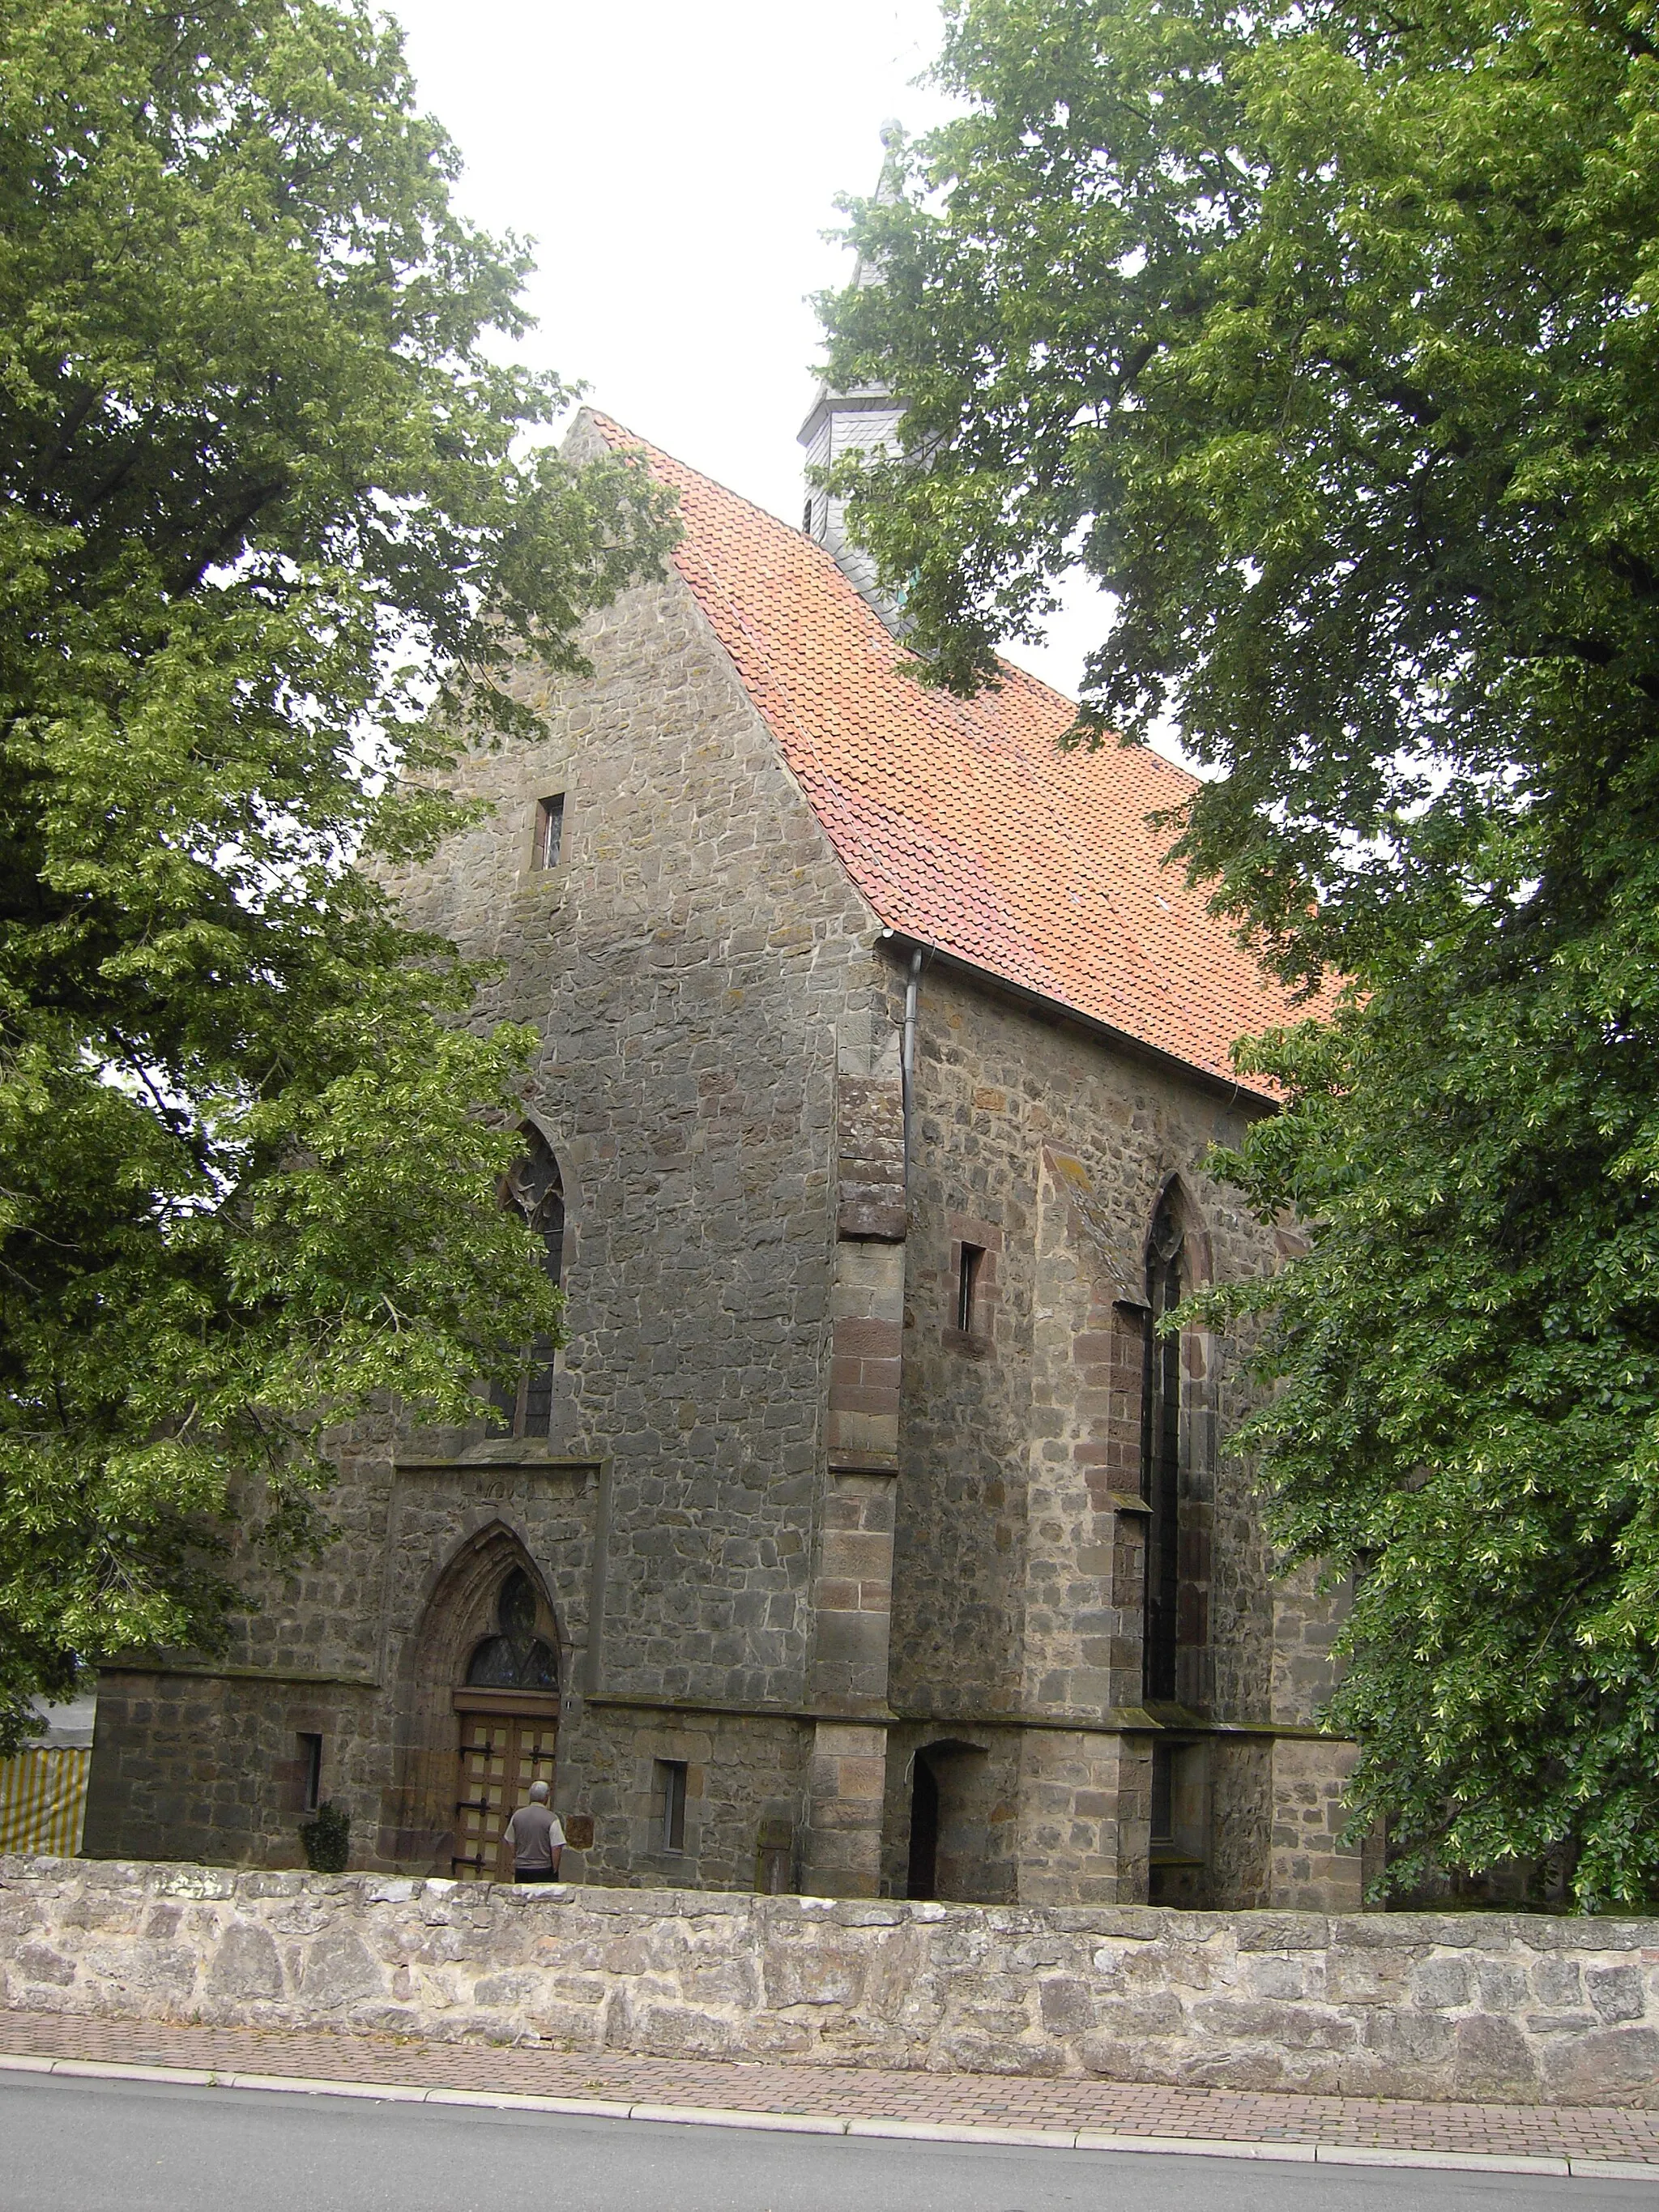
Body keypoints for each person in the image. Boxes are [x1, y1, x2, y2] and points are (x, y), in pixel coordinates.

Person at [501, 1778, 564, 1883]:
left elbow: (510, 1840)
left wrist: (517, 1857)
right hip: (543, 1869)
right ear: (546, 1797)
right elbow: (557, 1847)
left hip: (522, 1869)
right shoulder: (552, 1818)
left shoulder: (517, 1816)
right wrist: (554, 1869)